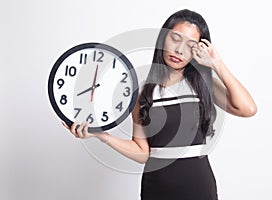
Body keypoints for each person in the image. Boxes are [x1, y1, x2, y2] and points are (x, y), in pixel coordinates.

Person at [62, 9, 257, 200]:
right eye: (175, 38)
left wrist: (216, 64)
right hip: (156, 188)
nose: (180, 50)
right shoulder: (142, 93)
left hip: (198, 187)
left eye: (190, 45)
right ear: (163, 38)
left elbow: (248, 109)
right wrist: (101, 135)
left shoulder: (204, 84)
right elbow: (142, 152)